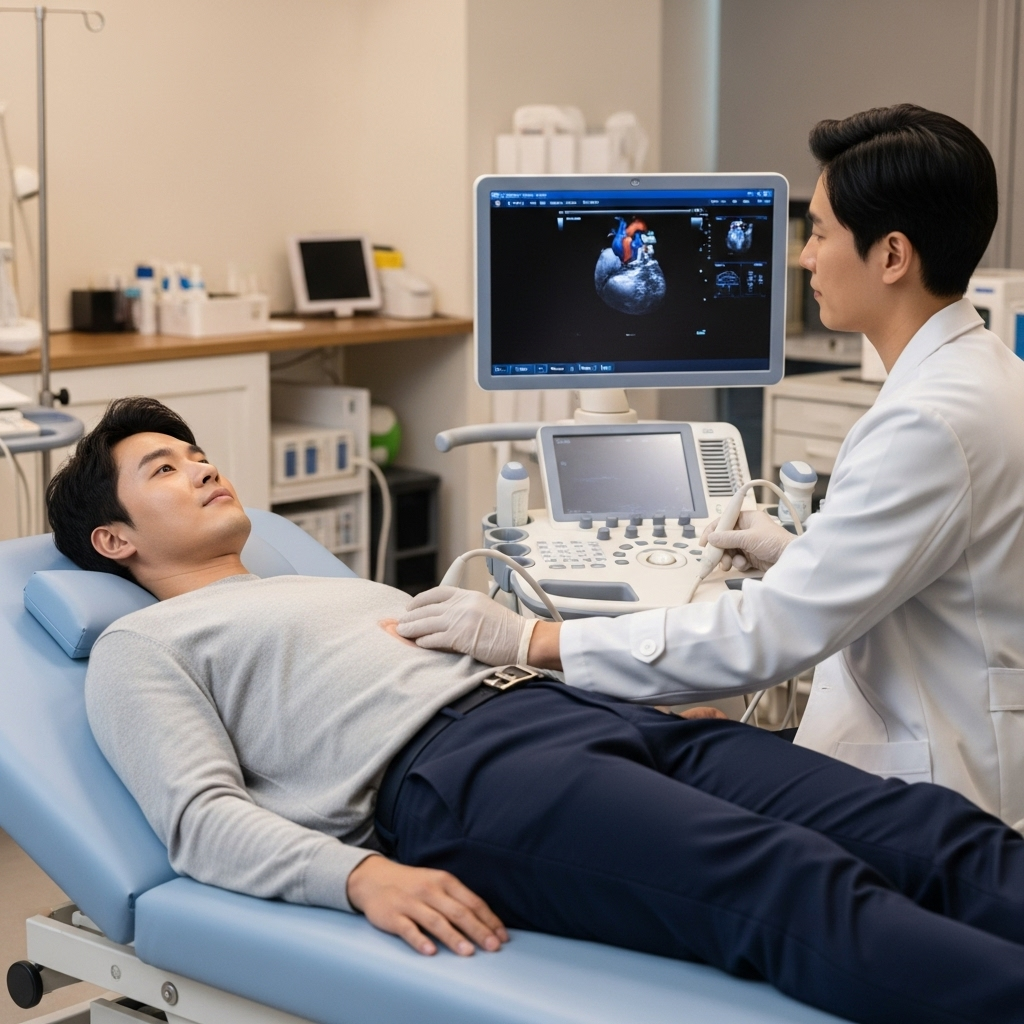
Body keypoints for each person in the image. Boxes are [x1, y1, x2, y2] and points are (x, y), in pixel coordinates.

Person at [44, 396, 1024, 1024]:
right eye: (163, 469)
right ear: (114, 535)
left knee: (912, 825)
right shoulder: (141, 645)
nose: (202, 465)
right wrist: (359, 877)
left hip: (581, 714)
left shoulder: (314, 581)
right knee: (786, 880)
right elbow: (197, 821)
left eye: (194, 449)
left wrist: (636, 701)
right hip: (461, 777)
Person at [399, 104, 1024, 828]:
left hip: (936, 795)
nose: (803, 256)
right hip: (951, 752)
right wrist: (802, 553)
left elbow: (772, 632)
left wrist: (534, 640)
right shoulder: (991, 376)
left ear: (891, 256)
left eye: (819, 232)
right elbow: (942, 576)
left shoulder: (925, 422)